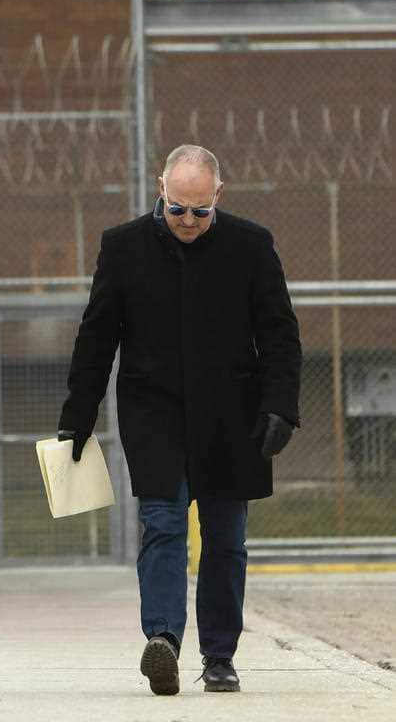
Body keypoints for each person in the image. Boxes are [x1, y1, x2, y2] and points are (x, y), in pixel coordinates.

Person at [57, 144, 301, 695]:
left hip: (231, 415)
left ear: (218, 197)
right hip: (154, 412)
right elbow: (97, 337)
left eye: (200, 211)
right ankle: (162, 639)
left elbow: (281, 335)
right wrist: (78, 414)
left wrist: (281, 406)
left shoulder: (251, 246)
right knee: (163, 524)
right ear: (160, 189)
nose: (188, 222)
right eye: (177, 209)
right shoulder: (123, 248)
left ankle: (219, 655)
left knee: (226, 538)